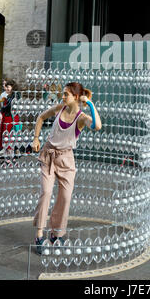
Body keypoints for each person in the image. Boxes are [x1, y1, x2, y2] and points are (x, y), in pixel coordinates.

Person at [32, 82, 102, 254]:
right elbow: (41, 117)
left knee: (65, 196)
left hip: (66, 160)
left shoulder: (81, 117)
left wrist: (91, 104)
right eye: (63, 94)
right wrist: (36, 138)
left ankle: (57, 234)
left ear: (76, 97)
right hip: (48, 155)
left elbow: (97, 126)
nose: (62, 97)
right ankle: (40, 234)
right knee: (46, 192)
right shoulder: (60, 108)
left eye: (66, 94)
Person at [0, 79, 21, 150]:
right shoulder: (7, 96)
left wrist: (1, 111)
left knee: (9, 136)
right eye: (6, 86)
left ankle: (10, 157)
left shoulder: (14, 96)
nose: (6, 88)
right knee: (6, 136)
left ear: (13, 87)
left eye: (8, 87)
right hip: (7, 118)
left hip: (10, 118)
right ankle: (8, 156)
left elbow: (7, 107)